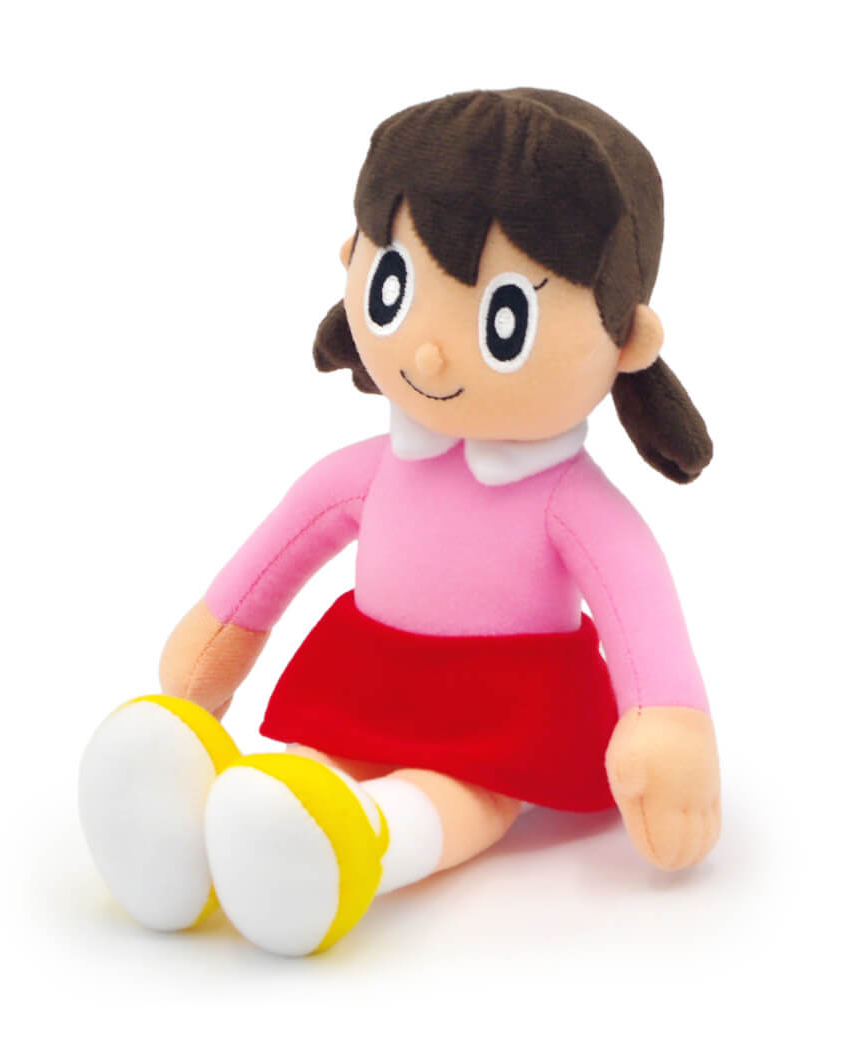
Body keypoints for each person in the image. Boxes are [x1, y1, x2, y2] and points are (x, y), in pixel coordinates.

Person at [79, 88, 721, 957]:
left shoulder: (572, 504)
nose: (427, 351)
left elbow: (642, 614)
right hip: (371, 674)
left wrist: (668, 731)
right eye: (395, 284)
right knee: (309, 769)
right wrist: (210, 650)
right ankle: (188, 833)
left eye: (504, 320)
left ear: (627, 340)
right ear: (354, 257)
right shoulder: (370, 472)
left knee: (461, 794)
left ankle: (362, 847)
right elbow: (274, 557)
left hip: (503, 710)